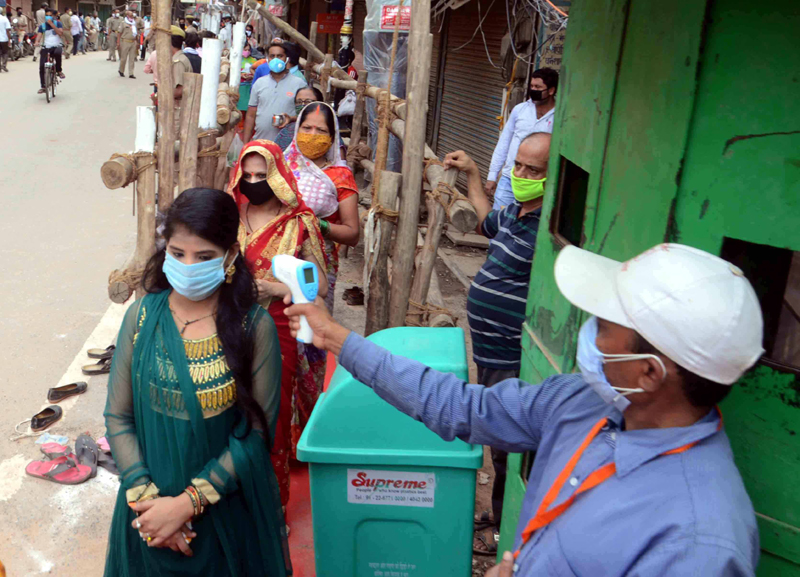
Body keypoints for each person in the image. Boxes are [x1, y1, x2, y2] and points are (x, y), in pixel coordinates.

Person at [284, 241, 763, 576]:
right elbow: (457, 406)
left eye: (604, 323)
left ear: (649, 373)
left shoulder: (699, 542)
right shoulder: (579, 401)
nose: (587, 329)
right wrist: (336, 338)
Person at [103, 187, 291, 577]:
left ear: (230, 257)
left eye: (204, 257)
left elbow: (256, 433)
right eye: (177, 253)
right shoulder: (140, 317)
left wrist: (186, 505)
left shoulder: (253, 328)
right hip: (145, 521)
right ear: (164, 250)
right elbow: (118, 417)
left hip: (222, 521)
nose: (188, 266)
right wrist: (149, 505)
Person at [444, 133, 549, 551]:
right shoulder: (514, 214)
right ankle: (502, 514)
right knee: (497, 439)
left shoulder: (548, 230)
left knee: (509, 443)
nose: (521, 174)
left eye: (533, 170)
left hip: (512, 354)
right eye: (518, 166)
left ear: (553, 177)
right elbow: (486, 219)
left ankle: (508, 534)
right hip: (489, 351)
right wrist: (472, 173)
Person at [225, 140, 328, 508]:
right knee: (225, 410)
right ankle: (226, 499)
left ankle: (272, 505)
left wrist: (273, 287)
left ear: (278, 175)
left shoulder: (300, 222)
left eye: (261, 175)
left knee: (273, 413)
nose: (253, 182)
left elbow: (320, 285)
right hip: (227, 324)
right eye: (247, 175)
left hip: (277, 326)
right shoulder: (229, 215)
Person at [283, 102, 360, 450]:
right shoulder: (283, 167)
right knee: (279, 345)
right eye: (307, 128)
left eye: (321, 131)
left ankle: (310, 432)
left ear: (333, 137)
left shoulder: (340, 176)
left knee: (311, 343)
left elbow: (352, 233)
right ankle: (281, 430)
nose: (312, 136)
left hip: (317, 272)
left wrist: (316, 225)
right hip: (278, 266)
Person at [487, 68, 557, 210]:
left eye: (538, 87)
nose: (533, 90)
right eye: (531, 86)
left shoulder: (560, 116)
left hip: (537, 185)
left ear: (551, 90)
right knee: (498, 223)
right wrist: (492, 175)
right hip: (509, 179)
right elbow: (504, 143)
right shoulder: (520, 110)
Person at [242, 41, 307, 143]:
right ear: (267, 60)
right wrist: (245, 144)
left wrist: (291, 118)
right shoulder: (259, 83)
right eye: (272, 56)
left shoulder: (299, 84)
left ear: (287, 59)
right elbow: (250, 115)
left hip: (288, 145)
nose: (276, 59)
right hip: (261, 142)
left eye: (280, 56)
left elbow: (305, 114)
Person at [274, 86, 323, 150]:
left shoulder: (327, 130)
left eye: (308, 102)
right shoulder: (288, 131)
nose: (302, 105)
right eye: (299, 102)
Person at [35, 6, 64, 92]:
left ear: (53, 16)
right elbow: (39, 36)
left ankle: (59, 70)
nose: (48, 17)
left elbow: (60, 33)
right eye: (47, 15)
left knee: (58, 53)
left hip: (56, 45)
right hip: (46, 47)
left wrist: (52, 24)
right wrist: (37, 42)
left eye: (50, 15)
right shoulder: (42, 26)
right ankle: (43, 86)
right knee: (41, 66)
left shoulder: (58, 24)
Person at [117, 10, 142, 79]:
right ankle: (121, 70)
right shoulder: (123, 23)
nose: (132, 16)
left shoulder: (134, 23)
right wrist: (118, 42)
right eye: (130, 15)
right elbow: (119, 33)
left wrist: (138, 42)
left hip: (133, 42)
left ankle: (131, 73)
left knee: (132, 58)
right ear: (127, 16)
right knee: (123, 58)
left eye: (132, 15)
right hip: (125, 42)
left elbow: (136, 34)